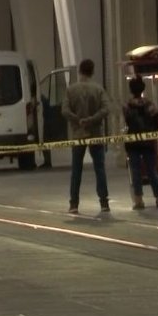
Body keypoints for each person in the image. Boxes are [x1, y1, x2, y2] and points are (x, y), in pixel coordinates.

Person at [61, 58, 111, 214]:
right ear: (92, 72)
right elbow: (106, 109)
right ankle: (104, 202)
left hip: (78, 133)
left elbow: (65, 110)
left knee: (76, 169)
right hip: (96, 133)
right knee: (99, 168)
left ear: (79, 71)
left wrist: (78, 120)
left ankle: (74, 204)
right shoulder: (98, 89)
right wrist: (92, 119)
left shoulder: (71, 90)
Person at [123, 77, 158, 209]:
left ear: (131, 90)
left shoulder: (127, 106)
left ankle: (139, 200)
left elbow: (127, 121)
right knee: (152, 170)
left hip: (133, 141)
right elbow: (156, 123)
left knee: (135, 171)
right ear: (143, 89)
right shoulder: (150, 105)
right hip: (148, 141)